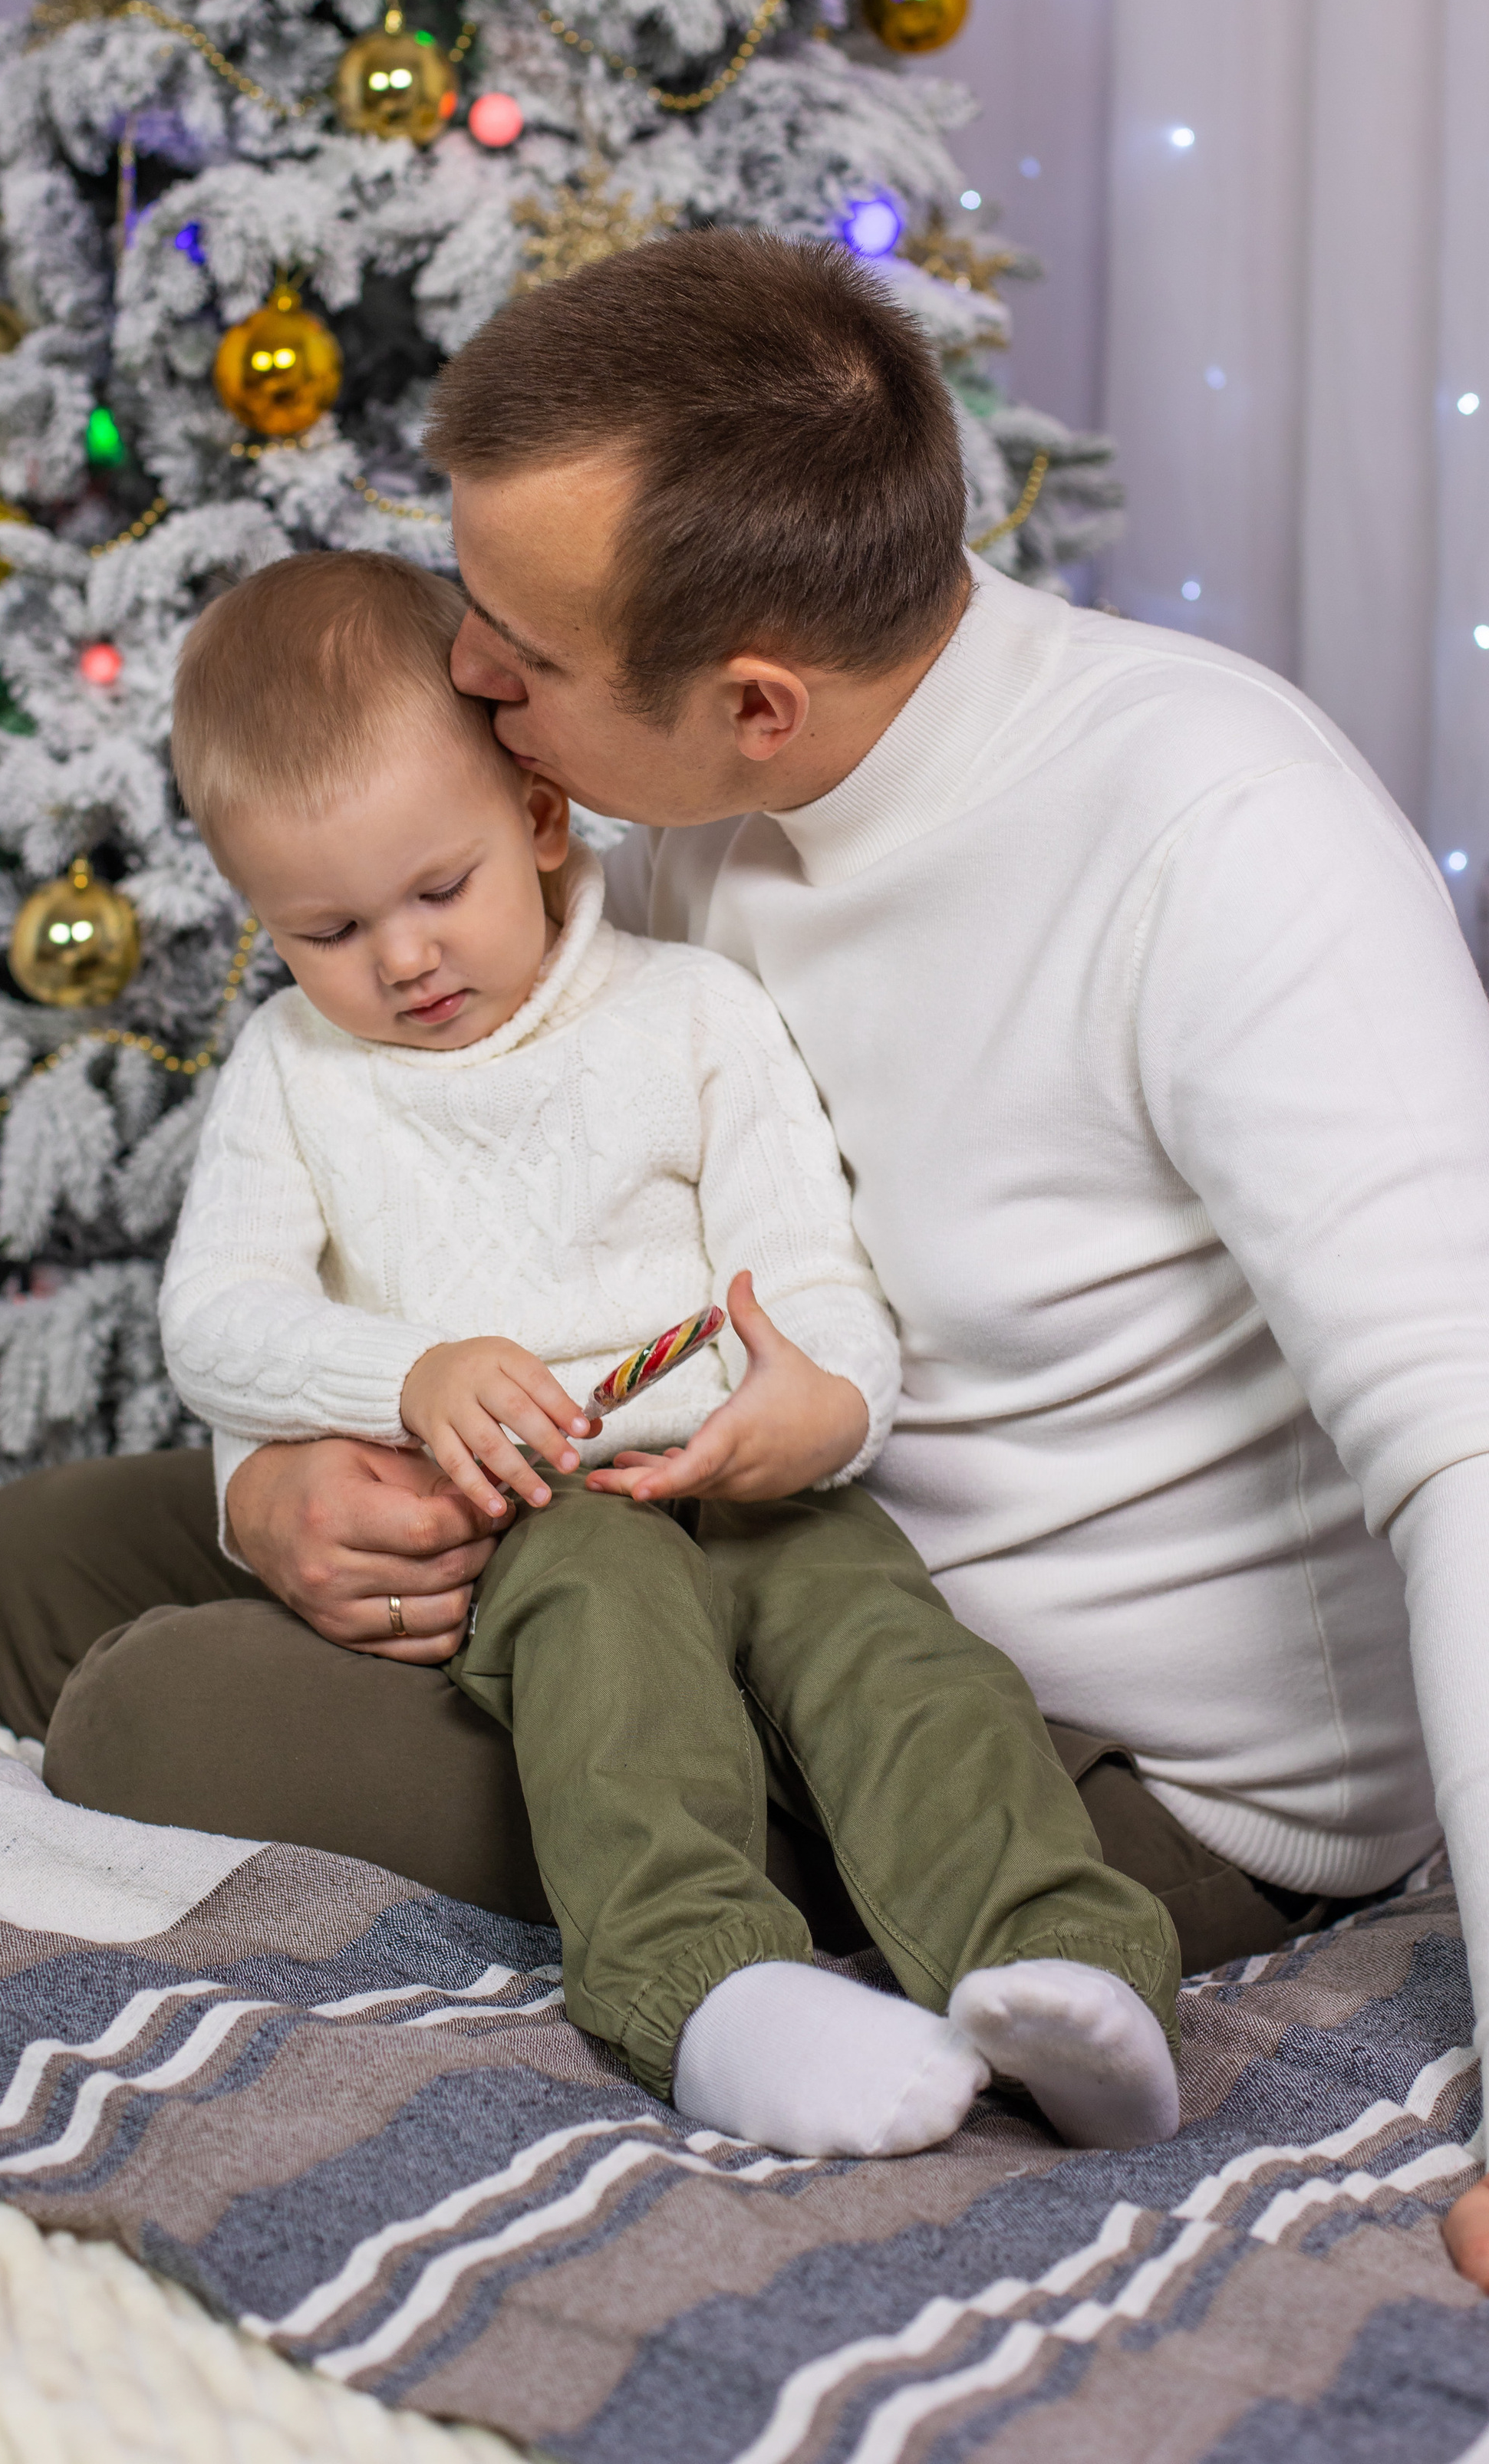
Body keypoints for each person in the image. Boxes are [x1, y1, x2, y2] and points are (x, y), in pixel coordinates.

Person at [0, 232, 1489, 2394]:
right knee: (38, 1565)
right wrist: (277, 1492)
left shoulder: (1221, 835)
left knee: (146, 1710)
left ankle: (792, 1946)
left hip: (1064, 1744)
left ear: (754, 699)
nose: (467, 682)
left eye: (516, 651)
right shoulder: (666, 805)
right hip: (657, 1524)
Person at [143, 547, 1185, 2160]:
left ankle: (1058, 1959)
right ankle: (707, 1988)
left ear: (539, 820)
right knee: (612, 1654)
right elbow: (214, 1318)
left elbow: (810, 1279)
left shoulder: (692, 1014)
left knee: (895, 1655)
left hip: (745, 1473)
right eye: (328, 929)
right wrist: (408, 1374)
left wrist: (818, 1408)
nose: (402, 960)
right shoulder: (294, 1071)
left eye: (438, 890)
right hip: (545, 1518)